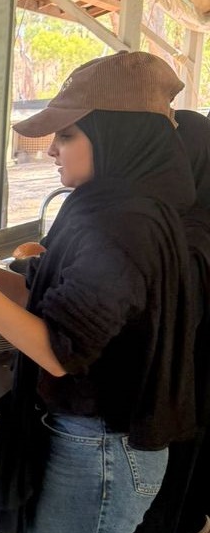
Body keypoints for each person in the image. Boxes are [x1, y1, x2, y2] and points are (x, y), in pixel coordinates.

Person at [0, 51, 197, 533]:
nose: (52, 149)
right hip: (93, 442)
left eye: (68, 134)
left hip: (103, 451)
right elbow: (44, 297)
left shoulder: (125, 224)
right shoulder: (106, 206)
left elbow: (59, 351)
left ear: (117, 136)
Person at [135, 110, 210, 533]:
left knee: (172, 492)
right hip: (187, 392)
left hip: (183, 390)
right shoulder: (175, 222)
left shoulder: (191, 236)